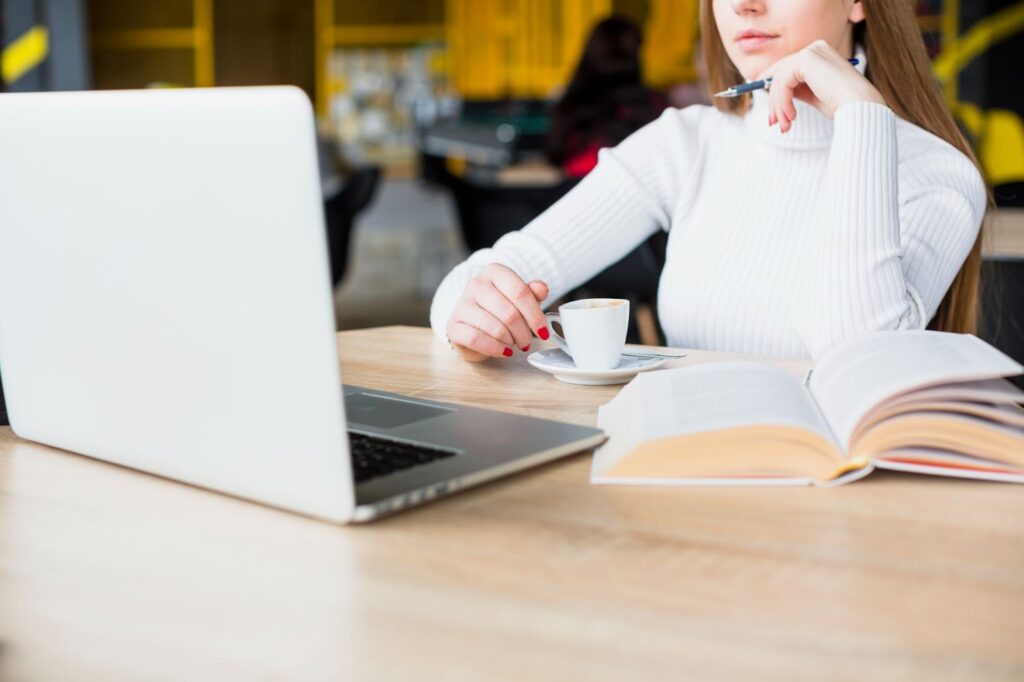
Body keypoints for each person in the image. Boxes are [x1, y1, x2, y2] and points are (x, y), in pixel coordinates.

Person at [430, 0, 988, 363]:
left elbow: (860, 360)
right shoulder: (686, 144)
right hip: (682, 486)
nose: (745, 5)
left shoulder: (934, 174)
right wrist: (472, 309)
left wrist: (863, 119)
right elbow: (476, 281)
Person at [545, 16, 667, 178]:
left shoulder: (573, 101)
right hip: (634, 192)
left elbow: (554, 153)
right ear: (637, 54)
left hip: (576, 190)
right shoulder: (651, 104)